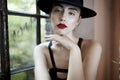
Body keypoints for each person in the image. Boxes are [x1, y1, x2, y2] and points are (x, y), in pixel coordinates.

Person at [34, 0, 102, 80]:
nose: (63, 18)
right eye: (58, 10)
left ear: (78, 20)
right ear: (50, 14)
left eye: (71, 13)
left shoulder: (92, 46)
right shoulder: (41, 50)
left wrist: (74, 48)